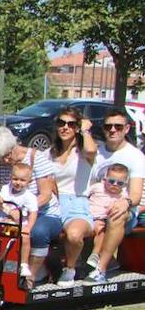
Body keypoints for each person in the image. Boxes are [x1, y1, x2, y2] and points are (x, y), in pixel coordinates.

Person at [57, 107, 145, 285]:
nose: (112, 130)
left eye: (118, 127)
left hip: (124, 209)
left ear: (127, 129)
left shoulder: (135, 156)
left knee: (116, 215)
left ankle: (100, 269)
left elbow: (135, 195)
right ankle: (63, 267)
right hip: (94, 206)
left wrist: (125, 202)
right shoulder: (97, 151)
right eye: (108, 126)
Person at [0, 126, 62, 283]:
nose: (5, 161)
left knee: (37, 232)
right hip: (9, 212)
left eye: (8, 155)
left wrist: (22, 212)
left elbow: (46, 195)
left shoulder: (37, 158)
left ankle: (30, 275)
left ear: (14, 146)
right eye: (1, 158)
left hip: (42, 212)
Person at [50, 107, 97, 286]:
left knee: (74, 235)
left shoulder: (84, 152)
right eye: (61, 123)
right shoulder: (50, 153)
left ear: (77, 128)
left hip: (77, 203)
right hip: (53, 203)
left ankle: (69, 269)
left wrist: (85, 129)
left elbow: (92, 151)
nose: (65, 127)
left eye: (71, 124)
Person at [0, 161, 38, 284]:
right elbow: (0, 202)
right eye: (15, 179)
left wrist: (29, 227)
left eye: (22, 180)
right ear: (10, 178)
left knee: (25, 237)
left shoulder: (29, 196)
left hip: (18, 226)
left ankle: (24, 264)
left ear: (29, 182)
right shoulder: (5, 189)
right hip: (3, 224)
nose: (18, 183)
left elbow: (33, 213)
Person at [83, 163, 131, 282]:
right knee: (98, 229)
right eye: (111, 181)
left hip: (105, 219)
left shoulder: (123, 195)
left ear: (125, 184)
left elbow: (125, 206)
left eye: (119, 183)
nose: (114, 185)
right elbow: (84, 196)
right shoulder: (97, 187)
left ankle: (95, 255)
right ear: (105, 179)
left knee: (102, 233)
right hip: (91, 216)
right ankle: (101, 259)